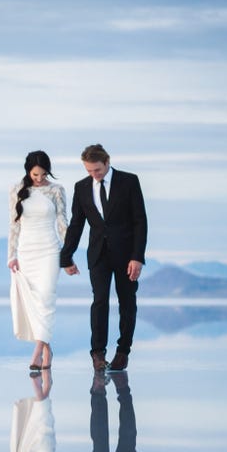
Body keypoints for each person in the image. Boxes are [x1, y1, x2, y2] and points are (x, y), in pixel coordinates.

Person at [61, 144, 147, 372]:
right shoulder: (81, 187)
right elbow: (77, 224)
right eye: (89, 171)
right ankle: (98, 354)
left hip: (127, 255)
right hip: (98, 254)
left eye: (97, 170)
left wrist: (137, 257)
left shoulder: (129, 181)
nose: (94, 175)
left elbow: (140, 221)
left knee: (127, 302)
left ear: (107, 162)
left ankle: (123, 352)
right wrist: (66, 256)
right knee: (99, 301)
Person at [8, 150, 68, 373]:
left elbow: (63, 223)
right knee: (33, 302)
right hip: (26, 251)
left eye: (43, 174)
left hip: (50, 250)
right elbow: (13, 225)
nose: (40, 178)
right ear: (28, 171)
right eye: (35, 174)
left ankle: (37, 352)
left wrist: (68, 255)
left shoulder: (56, 191)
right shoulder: (17, 190)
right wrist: (11, 255)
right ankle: (46, 348)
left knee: (45, 297)